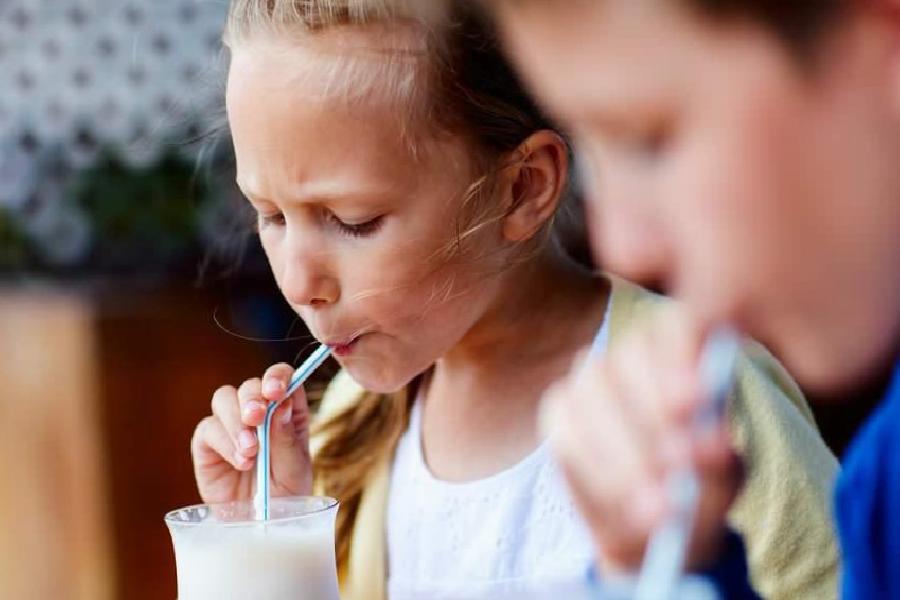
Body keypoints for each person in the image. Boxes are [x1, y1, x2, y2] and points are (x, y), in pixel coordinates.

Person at [190, 2, 839, 598]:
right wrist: (269, 541)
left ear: (523, 189)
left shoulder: (700, 399)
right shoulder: (341, 444)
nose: (300, 282)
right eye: (269, 216)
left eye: (354, 220)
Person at [490, 0, 900, 598]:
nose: (621, 245)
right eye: (596, 164)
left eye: (646, 142)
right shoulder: (882, 493)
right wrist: (672, 568)